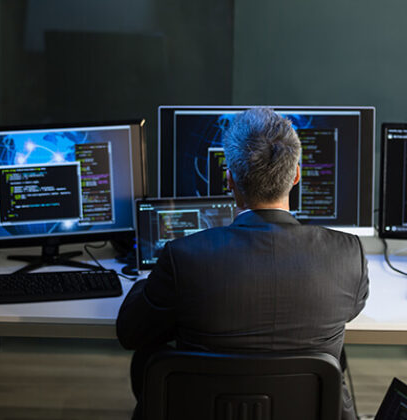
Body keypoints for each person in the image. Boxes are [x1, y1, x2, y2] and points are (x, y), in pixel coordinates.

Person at [116, 107, 369, 420]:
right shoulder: (347, 254)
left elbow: (130, 334)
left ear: (230, 181)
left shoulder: (184, 256)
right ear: (297, 176)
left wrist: (149, 282)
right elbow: (351, 309)